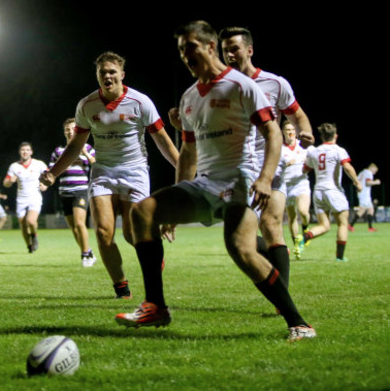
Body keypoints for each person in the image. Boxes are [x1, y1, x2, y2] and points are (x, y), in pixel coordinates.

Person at [115, 21, 315, 341]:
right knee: (143, 212)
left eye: (190, 47)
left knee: (240, 248)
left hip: (242, 179)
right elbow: (189, 152)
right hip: (206, 184)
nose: (185, 55)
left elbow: (273, 133)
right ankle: (156, 305)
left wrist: (265, 179)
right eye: (181, 50)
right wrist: (179, 191)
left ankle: (298, 323)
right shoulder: (190, 97)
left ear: (210, 46)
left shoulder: (241, 86)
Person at [40, 51, 179, 299]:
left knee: (130, 233)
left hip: (135, 170)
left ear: (122, 75)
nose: (107, 76)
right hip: (103, 170)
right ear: (97, 76)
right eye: (102, 72)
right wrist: (53, 173)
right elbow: (75, 145)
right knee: (104, 232)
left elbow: (163, 142)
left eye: (112, 71)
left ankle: (153, 251)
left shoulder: (140, 102)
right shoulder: (86, 105)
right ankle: (121, 288)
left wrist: (183, 169)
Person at [218, 26, 314, 290]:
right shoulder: (220, 87)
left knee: (271, 223)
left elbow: (298, 115)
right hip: (235, 165)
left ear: (249, 50)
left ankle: (282, 298)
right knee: (238, 237)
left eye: (234, 48)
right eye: (225, 50)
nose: (229, 54)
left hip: (269, 160)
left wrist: (305, 130)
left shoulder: (275, 83)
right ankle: (274, 260)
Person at [303, 123, 362, 261]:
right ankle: (340, 257)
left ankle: (304, 237)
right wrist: (356, 182)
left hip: (318, 191)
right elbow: (347, 167)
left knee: (324, 225)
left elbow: (305, 169)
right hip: (333, 190)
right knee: (342, 223)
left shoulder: (315, 151)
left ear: (322, 136)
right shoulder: (338, 150)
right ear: (335, 136)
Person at [49, 118, 97, 267]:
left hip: (80, 191)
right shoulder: (58, 152)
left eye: (73, 129)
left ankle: (85, 256)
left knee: (79, 223)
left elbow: (96, 164)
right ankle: (88, 251)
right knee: (73, 228)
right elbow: (51, 172)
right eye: (67, 130)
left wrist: (83, 152)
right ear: (64, 132)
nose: (70, 132)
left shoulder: (88, 148)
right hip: (64, 192)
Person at [4, 142, 48, 253]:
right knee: (23, 225)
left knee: (31, 221)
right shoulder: (14, 166)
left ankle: (34, 235)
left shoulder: (39, 164)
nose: (25, 152)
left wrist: (45, 185)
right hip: (21, 199)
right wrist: (10, 181)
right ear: (20, 152)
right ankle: (29, 246)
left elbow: (49, 176)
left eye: (27, 150)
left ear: (31, 152)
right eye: (23, 150)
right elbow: (5, 183)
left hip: (35, 197)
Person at [281, 121, 313, 259]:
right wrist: (287, 163)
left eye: (292, 129)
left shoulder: (303, 146)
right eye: (287, 129)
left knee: (303, 211)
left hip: (301, 183)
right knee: (292, 217)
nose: (290, 132)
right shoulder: (280, 149)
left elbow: (314, 158)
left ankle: (305, 229)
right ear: (283, 132)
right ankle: (297, 244)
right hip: (286, 185)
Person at [349, 163, 380, 232]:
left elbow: (355, 182)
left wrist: (358, 188)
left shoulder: (362, 172)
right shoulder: (369, 173)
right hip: (364, 194)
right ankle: (350, 225)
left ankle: (370, 228)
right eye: (375, 171)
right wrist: (376, 182)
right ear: (372, 168)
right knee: (362, 210)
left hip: (362, 193)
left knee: (371, 210)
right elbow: (368, 183)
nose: (374, 173)